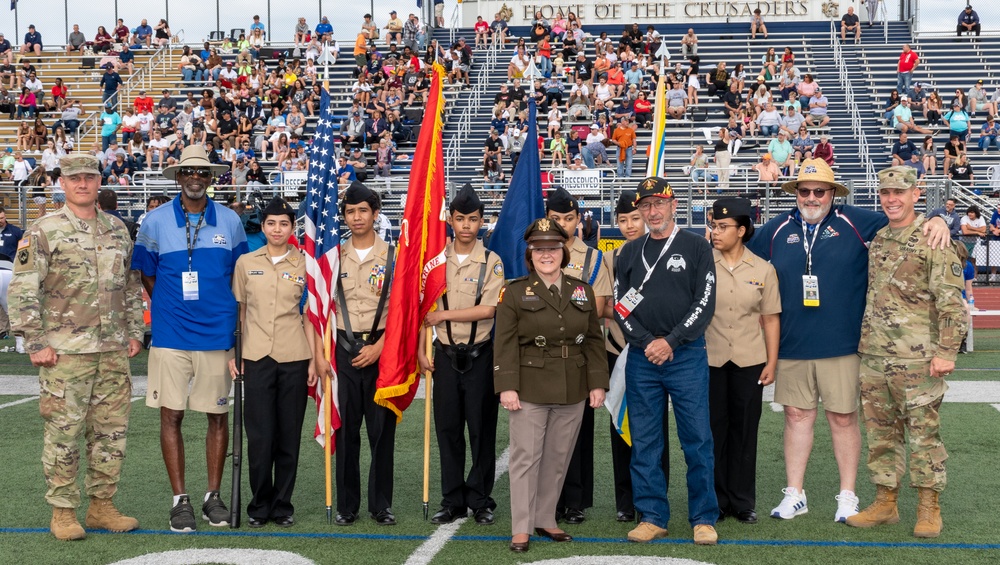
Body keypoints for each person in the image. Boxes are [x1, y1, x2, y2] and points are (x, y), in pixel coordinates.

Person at [746, 159, 952, 523]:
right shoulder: (776, 229)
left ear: (832, 194)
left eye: (820, 191)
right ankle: (795, 494)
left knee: (843, 418)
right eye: (804, 190)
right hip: (793, 345)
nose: (812, 197)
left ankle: (848, 495)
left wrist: (939, 217)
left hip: (845, 345)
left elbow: (903, 216)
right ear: (795, 193)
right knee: (796, 417)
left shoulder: (856, 222)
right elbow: (742, 254)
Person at [9, 155, 144, 540]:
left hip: (113, 349)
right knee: (64, 433)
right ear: (62, 184)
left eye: (89, 177)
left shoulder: (117, 229)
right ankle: (63, 512)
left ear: (99, 181)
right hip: (64, 352)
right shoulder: (43, 230)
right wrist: (35, 341)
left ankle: (102, 506)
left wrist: (134, 331)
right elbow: (23, 288)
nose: (83, 184)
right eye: (74, 178)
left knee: (110, 433)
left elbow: (130, 286)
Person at [131, 145, 249, 532]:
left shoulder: (230, 221)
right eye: (188, 172)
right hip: (170, 333)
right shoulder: (154, 220)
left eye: (202, 172)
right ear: (178, 177)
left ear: (211, 178)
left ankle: (212, 497)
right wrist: (168, 301)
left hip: (218, 334)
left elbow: (239, 275)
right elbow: (146, 272)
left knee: (217, 414)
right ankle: (180, 500)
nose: (195, 178)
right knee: (172, 413)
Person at [846, 166, 966, 539]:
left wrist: (947, 350)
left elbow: (952, 303)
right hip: (876, 357)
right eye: (885, 193)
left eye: (899, 191)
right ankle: (886, 502)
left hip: (918, 359)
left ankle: (929, 507)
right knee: (881, 434)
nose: (892, 199)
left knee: (923, 435)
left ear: (917, 194)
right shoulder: (879, 238)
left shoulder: (933, 238)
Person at [613, 177, 719, 545]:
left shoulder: (696, 247)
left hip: (686, 355)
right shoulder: (627, 253)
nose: (652, 211)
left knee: (697, 438)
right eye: (645, 206)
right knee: (644, 440)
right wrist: (647, 343)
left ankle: (704, 517)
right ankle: (653, 515)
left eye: (659, 204)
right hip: (643, 358)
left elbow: (704, 303)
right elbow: (620, 306)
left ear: (674, 206)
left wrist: (671, 341)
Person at [494, 217, 608, 553]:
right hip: (529, 385)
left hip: (572, 385)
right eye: (539, 249)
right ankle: (521, 527)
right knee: (525, 458)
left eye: (553, 248)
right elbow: (504, 343)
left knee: (558, 458)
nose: (547, 254)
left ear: (563, 251)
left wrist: (597, 383)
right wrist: (507, 386)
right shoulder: (514, 292)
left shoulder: (582, 290)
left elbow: (593, 341)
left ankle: (545, 518)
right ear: (530, 253)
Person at [418, 185, 505, 526]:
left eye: (473, 219)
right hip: (444, 356)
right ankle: (452, 498)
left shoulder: (491, 262)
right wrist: (422, 348)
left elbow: (488, 310)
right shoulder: (436, 260)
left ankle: (480, 499)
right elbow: (423, 308)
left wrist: (442, 317)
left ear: (482, 222)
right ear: (450, 220)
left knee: (481, 430)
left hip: (480, 356)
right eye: (459, 219)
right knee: (448, 429)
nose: (466, 225)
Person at [229, 197, 315, 528]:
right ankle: (259, 504)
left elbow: (310, 316)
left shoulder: (306, 264)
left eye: (284, 224)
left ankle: (282, 506)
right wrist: (231, 353)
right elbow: (239, 311)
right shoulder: (245, 262)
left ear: (293, 228)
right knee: (260, 436)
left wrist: (314, 360)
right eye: (271, 223)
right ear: (262, 227)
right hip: (255, 358)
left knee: (288, 436)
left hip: (295, 357)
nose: (277, 229)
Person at [706, 197, 780, 525]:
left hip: (750, 360)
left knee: (745, 431)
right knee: (713, 432)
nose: (715, 232)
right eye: (713, 225)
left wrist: (772, 361)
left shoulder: (764, 269)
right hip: (710, 360)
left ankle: (743, 500)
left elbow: (771, 319)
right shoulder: (703, 265)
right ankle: (717, 500)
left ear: (742, 230)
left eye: (723, 227)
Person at [545, 187, 613, 525]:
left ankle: (575, 500)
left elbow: (597, 308)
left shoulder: (593, 258)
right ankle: (549, 500)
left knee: (577, 431)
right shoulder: (536, 253)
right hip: (542, 355)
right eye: (555, 218)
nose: (561, 224)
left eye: (568, 218)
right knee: (544, 431)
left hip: (580, 353)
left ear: (578, 221)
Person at [332, 182, 398, 527]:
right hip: (343, 351)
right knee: (345, 431)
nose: (356, 217)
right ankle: (347, 504)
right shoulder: (332, 257)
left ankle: (380, 504)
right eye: (350, 211)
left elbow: (402, 312)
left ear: (375, 213)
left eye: (363, 211)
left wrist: (381, 347)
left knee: (381, 432)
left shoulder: (393, 257)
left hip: (380, 351)